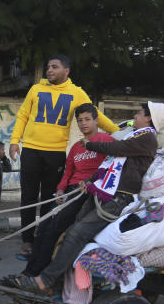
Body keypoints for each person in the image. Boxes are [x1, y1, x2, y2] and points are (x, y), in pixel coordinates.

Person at [13, 102, 164, 295]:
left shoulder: (146, 138)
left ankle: (46, 280)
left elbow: (115, 149)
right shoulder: (135, 136)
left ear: (149, 118)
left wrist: (90, 145)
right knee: (63, 231)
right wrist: (89, 181)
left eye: (139, 113)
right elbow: (110, 165)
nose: (135, 116)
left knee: (75, 234)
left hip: (118, 198)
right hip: (100, 192)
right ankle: (48, 278)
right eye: (80, 121)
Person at [9, 55, 121, 257]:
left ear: (66, 71)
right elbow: (23, 115)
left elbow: (96, 115)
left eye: (54, 67)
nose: (49, 70)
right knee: (28, 197)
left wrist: (118, 132)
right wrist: (14, 141)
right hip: (31, 150)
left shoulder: (77, 93)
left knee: (50, 199)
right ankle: (27, 240)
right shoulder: (36, 89)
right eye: (48, 67)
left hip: (56, 153)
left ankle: (42, 237)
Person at [20, 104, 114, 278]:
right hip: (70, 192)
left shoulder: (106, 141)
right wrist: (61, 190)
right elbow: (68, 172)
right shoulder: (76, 147)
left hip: (88, 192)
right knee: (43, 227)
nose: (83, 124)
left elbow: (111, 167)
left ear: (96, 120)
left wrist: (91, 183)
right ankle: (27, 272)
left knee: (53, 229)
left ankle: (36, 274)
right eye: (79, 121)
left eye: (87, 119)